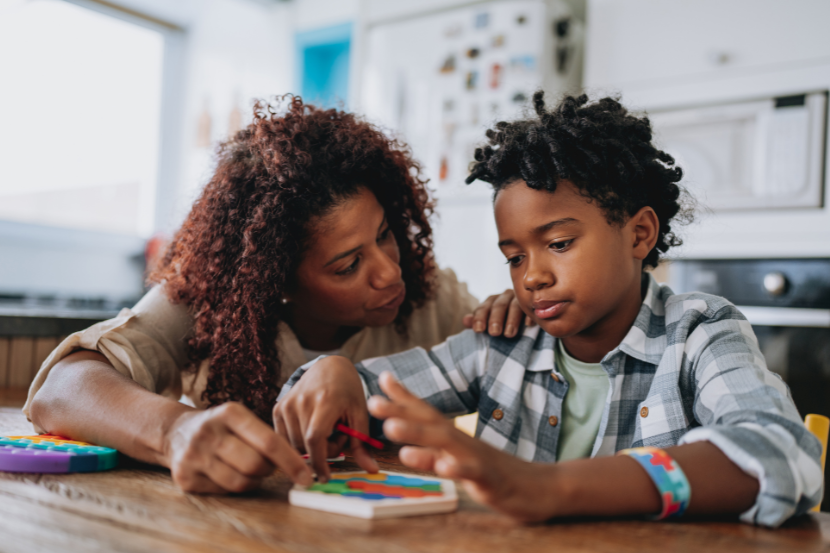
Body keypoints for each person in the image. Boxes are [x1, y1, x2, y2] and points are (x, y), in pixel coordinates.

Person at [274, 93, 823, 527]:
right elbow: (348, 401)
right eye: (515, 257)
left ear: (639, 233)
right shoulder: (501, 343)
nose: (531, 276)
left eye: (559, 244)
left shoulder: (699, 333)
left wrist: (544, 487)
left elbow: (781, 454)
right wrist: (333, 372)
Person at [24, 96, 525, 493]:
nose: (389, 272)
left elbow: (523, 354)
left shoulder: (427, 295)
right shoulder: (210, 303)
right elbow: (62, 389)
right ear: (275, 283)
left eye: (385, 234)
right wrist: (174, 432)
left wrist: (518, 312)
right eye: (348, 266)